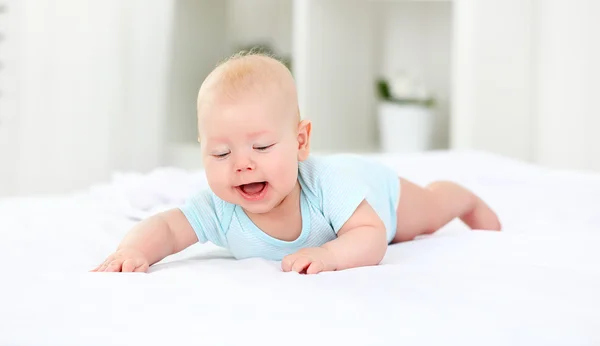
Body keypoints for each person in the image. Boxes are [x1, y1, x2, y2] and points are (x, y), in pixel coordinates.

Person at [92, 53, 501, 275]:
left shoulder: (326, 184)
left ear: (300, 142)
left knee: (426, 216)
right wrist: (133, 250)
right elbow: (165, 227)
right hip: (356, 200)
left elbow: (372, 234)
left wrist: (331, 256)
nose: (242, 165)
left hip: (378, 194)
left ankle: (460, 198)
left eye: (262, 147)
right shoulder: (218, 207)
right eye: (221, 153)